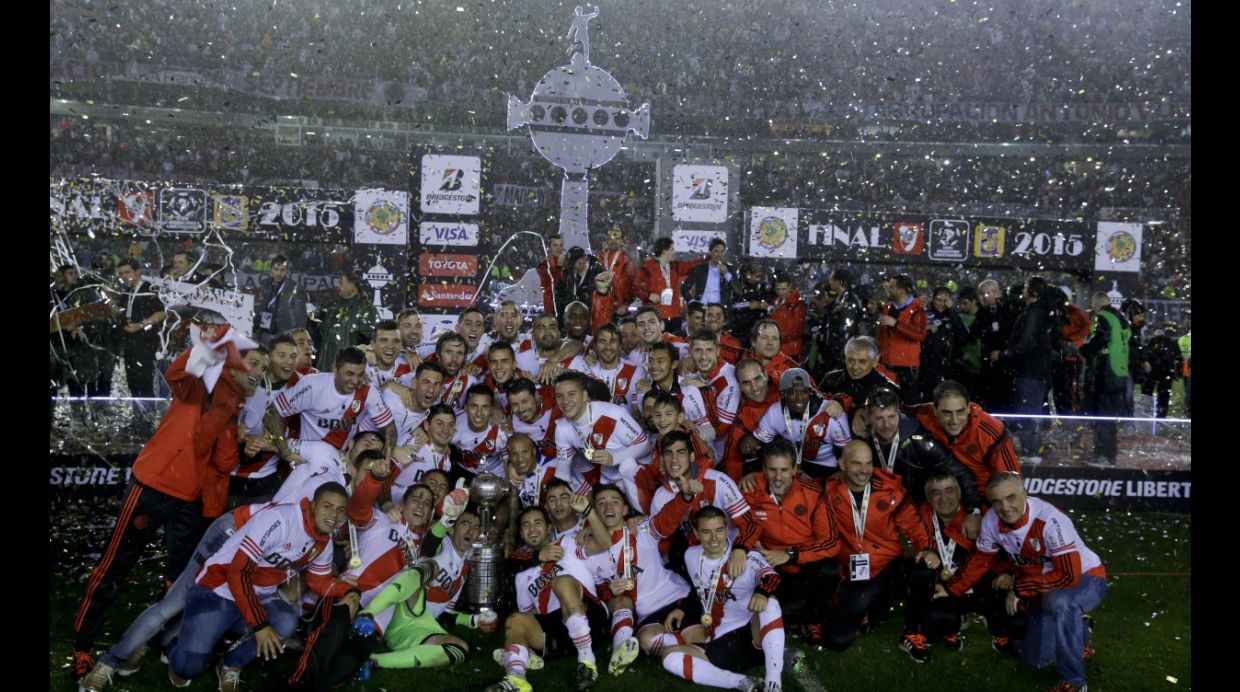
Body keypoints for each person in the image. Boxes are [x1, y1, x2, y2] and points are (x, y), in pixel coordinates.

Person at [71, 324, 263, 681]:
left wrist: (238, 441)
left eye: (263, 368)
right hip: (153, 487)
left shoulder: (236, 405)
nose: (260, 373)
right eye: (255, 363)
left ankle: (154, 642)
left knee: (178, 580)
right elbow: (178, 371)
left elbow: (223, 464)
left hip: (190, 500)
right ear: (234, 362)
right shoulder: (201, 383)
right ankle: (84, 646)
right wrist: (222, 335)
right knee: (114, 567)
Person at [165, 483, 356, 690]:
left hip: (259, 594)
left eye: (340, 510)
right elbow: (238, 573)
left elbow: (318, 582)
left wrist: (350, 591)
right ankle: (177, 643)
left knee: (286, 623)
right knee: (188, 668)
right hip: (218, 588)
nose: (334, 515)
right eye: (327, 506)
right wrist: (260, 625)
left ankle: (231, 664)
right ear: (313, 505)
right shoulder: (280, 520)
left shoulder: (324, 541)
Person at [944, 472, 1107, 692]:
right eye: (997, 501)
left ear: (1024, 494)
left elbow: (1069, 575)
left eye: (1011, 497)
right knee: (1034, 661)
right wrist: (950, 590)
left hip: (1085, 579)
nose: (1005, 507)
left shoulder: (1050, 519)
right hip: (1042, 588)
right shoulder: (992, 519)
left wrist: (1020, 588)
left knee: (1060, 602)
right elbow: (980, 561)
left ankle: (1074, 681)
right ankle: (1081, 634)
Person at [822, 441, 940, 662]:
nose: (864, 470)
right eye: (856, 463)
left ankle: (912, 632)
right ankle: (874, 609)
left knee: (924, 569)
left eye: (868, 463)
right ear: (842, 464)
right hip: (856, 572)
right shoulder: (827, 491)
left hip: (889, 564)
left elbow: (913, 525)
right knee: (836, 639)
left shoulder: (890, 489)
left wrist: (926, 548)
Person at [656, 507, 794, 692]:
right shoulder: (691, 556)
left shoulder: (746, 557)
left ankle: (773, 684)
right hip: (722, 643)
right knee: (669, 658)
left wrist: (761, 592)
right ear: (696, 533)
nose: (714, 538)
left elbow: (773, 578)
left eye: (719, 530)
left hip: (753, 636)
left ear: (726, 527)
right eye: (706, 532)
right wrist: (682, 609)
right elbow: (700, 590)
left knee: (769, 602)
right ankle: (744, 683)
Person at [351, 506, 490, 677]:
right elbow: (429, 546)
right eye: (465, 524)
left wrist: (472, 620)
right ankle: (367, 614)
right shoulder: (444, 544)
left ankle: (374, 661)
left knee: (460, 649)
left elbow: (445, 612)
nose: (471, 530)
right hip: (398, 608)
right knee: (430, 568)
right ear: (453, 529)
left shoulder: (464, 570)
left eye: (476, 527)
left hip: (418, 627)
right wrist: (446, 520)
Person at [574, 484, 692, 676]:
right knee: (646, 641)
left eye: (615, 502)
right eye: (601, 503)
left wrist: (685, 498)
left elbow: (667, 518)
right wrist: (610, 590)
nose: (609, 507)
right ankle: (622, 650)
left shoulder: (641, 529)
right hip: (647, 615)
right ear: (594, 512)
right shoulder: (589, 551)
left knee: (660, 640)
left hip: (676, 596)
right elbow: (599, 593)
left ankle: (695, 639)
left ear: (625, 509)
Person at [488, 506, 608, 692]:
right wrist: (538, 557)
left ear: (549, 527)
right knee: (516, 620)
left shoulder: (567, 543)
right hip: (558, 637)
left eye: (538, 522)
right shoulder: (522, 574)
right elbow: (529, 614)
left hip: (591, 619)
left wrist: (590, 517)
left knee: (562, 582)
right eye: (526, 525)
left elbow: (603, 544)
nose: (532, 528)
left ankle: (587, 662)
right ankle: (516, 679)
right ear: (521, 532)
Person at [738, 439, 842, 649]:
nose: (778, 477)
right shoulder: (749, 493)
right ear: (764, 469)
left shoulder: (813, 493)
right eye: (773, 470)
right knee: (772, 610)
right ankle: (797, 616)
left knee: (830, 570)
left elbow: (831, 542)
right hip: (774, 570)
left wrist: (792, 554)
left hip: (806, 565)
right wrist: (752, 544)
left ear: (795, 469)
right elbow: (741, 526)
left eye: (784, 470)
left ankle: (814, 620)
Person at [919, 471, 1027, 655]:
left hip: (981, 582)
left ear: (961, 493)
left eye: (949, 490)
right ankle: (952, 621)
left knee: (1016, 619)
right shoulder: (921, 516)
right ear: (928, 497)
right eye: (936, 492)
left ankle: (994, 623)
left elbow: (1012, 548)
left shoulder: (984, 517)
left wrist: (1009, 573)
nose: (944, 498)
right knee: (937, 619)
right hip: (945, 582)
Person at [851, 387, 983, 520]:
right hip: (877, 506)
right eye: (879, 418)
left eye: (891, 417)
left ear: (899, 413)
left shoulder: (921, 442)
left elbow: (961, 472)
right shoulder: (862, 436)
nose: (887, 425)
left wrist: (974, 511)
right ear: (869, 417)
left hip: (915, 511)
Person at [265, 346, 396, 470]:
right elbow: (272, 412)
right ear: (335, 368)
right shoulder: (312, 386)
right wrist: (285, 452)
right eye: (349, 374)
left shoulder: (368, 392)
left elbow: (389, 429)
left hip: (341, 461)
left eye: (360, 374)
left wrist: (386, 459)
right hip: (306, 457)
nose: (355, 381)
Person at [553, 371, 652, 502]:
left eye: (571, 394)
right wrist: (557, 496)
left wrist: (613, 459)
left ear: (584, 396)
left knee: (627, 466)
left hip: (639, 475)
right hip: (607, 481)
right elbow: (563, 470)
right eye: (559, 396)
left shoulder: (613, 414)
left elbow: (645, 446)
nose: (565, 401)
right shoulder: (561, 427)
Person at [991, 276, 1058, 460]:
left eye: (1027, 287)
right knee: (1028, 411)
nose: (1023, 290)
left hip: (1031, 371)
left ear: (1034, 291)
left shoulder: (1034, 313)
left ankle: (1032, 451)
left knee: (1027, 412)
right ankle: (1032, 449)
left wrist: (1004, 353)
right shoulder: (1037, 311)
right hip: (1033, 371)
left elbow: (1026, 343)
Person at [913, 380, 1021, 491]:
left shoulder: (990, 431)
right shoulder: (921, 414)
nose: (954, 420)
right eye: (947, 413)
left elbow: (1013, 481)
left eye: (960, 411)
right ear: (934, 410)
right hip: (939, 495)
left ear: (969, 408)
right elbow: (898, 412)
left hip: (982, 496)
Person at [752, 368, 850, 480]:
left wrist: (842, 473)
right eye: (793, 392)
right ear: (783, 394)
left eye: (803, 392)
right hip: (795, 466)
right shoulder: (774, 412)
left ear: (809, 392)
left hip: (830, 468)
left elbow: (848, 452)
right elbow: (762, 445)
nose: (799, 397)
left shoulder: (831, 413)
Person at [1078, 293, 1131, 468]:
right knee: (1109, 418)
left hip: (1106, 374)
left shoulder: (1101, 316)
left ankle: (1104, 457)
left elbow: (1100, 339)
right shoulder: (1121, 318)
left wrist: (1083, 349)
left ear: (1096, 305)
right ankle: (1109, 455)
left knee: (1103, 417)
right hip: (1120, 372)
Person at [112, 258, 166, 398]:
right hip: (129, 343)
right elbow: (124, 313)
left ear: (138, 272)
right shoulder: (126, 292)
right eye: (121, 274)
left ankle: (148, 416)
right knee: (132, 382)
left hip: (145, 342)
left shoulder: (149, 288)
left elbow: (161, 313)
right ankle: (139, 416)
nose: (124, 276)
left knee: (144, 382)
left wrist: (141, 325)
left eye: (127, 272)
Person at [723, 359, 782, 479]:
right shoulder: (740, 418)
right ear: (739, 386)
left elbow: (815, 400)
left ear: (766, 375)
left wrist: (831, 405)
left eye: (757, 378)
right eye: (746, 383)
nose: (754, 388)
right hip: (767, 472)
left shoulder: (784, 389)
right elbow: (731, 464)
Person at [877, 274, 927, 405]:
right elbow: (883, 335)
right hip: (888, 363)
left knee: (909, 401)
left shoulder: (917, 310)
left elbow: (920, 335)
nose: (888, 289)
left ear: (901, 290)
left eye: (892, 287)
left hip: (907, 365)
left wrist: (897, 324)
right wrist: (879, 356)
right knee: (887, 400)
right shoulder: (888, 308)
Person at [316, 271, 375, 370]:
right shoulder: (335, 305)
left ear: (352, 285)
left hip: (348, 362)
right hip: (327, 360)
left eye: (341, 283)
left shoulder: (364, 308)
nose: (338, 286)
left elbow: (369, 337)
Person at [919, 286, 968, 400]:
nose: (942, 304)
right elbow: (917, 336)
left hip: (949, 363)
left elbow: (963, 334)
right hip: (928, 363)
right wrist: (930, 332)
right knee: (929, 397)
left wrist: (951, 309)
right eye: (939, 300)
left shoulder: (954, 315)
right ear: (933, 300)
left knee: (948, 397)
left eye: (945, 301)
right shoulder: (925, 315)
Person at [254, 254, 307, 342]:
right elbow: (261, 308)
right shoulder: (265, 285)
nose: (279, 273)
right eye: (276, 269)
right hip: (265, 334)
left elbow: (301, 317)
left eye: (282, 270)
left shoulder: (295, 288)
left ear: (287, 271)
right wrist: (256, 328)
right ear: (271, 269)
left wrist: (298, 338)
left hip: (285, 335)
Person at [638, 237, 688, 327]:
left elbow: (692, 265)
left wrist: (708, 258)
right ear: (664, 251)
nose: (674, 252)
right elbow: (635, 288)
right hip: (656, 316)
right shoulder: (647, 267)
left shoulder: (675, 266)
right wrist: (648, 295)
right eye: (672, 249)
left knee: (674, 340)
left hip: (674, 316)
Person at [1141, 324, 1183, 419]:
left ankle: (1150, 413)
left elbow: (1177, 357)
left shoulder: (1152, 341)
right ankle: (1159, 414)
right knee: (1161, 395)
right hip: (1162, 372)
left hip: (1156, 372)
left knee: (1150, 393)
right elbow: (1178, 357)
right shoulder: (1169, 342)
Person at [679, 238, 735, 307]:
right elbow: (684, 288)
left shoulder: (729, 269)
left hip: (722, 311)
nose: (719, 255)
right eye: (716, 251)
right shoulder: (700, 268)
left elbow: (738, 291)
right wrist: (693, 302)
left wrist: (726, 274)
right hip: (703, 309)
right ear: (710, 252)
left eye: (722, 251)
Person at [767, 272, 807, 361]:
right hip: (776, 348)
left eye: (783, 289)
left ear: (790, 287)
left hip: (791, 350)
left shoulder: (798, 305)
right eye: (778, 289)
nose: (780, 292)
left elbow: (799, 329)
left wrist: (779, 338)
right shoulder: (775, 301)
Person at [537, 234, 568, 316]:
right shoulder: (544, 265)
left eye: (560, 245)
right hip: (551, 306)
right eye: (555, 245)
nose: (558, 248)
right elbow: (550, 284)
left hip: (566, 305)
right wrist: (558, 267)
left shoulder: (567, 263)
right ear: (549, 247)